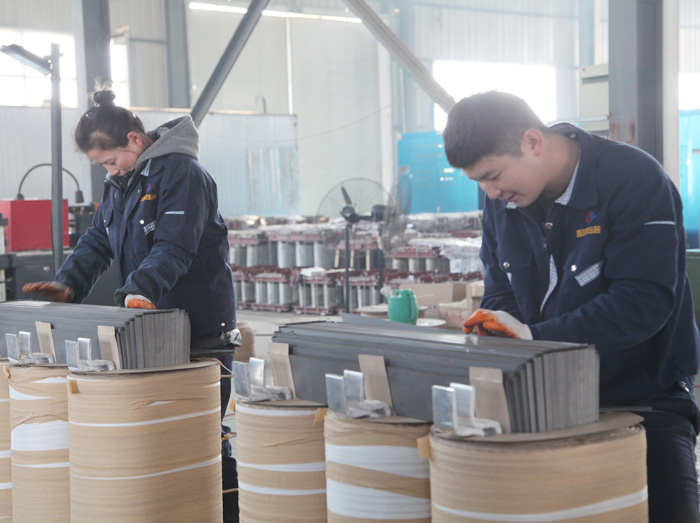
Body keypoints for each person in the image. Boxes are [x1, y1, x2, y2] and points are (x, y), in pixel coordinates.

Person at [443, 90, 700, 522]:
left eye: (493, 175)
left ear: (532, 142)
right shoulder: (502, 199)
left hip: (642, 397)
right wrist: (497, 329)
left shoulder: (634, 180)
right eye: (479, 183)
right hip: (546, 395)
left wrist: (536, 338)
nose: (490, 192)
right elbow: (501, 290)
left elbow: (643, 304)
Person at [23, 88, 240, 522]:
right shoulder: (122, 184)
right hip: (151, 326)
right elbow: (97, 240)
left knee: (200, 437)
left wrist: (136, 293)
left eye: (110, 160)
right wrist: (68, 285)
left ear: (135, 140)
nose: (110, 169)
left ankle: (224, 513)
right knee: (157, 436)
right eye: (103, 166)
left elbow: (174, 247)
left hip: (199, 326)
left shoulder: (182, 174)